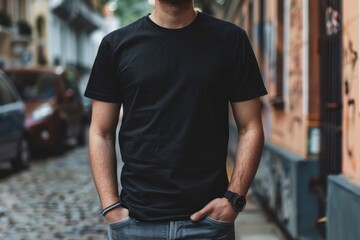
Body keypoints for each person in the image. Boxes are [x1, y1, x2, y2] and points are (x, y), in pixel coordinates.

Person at [85, 0, 267, 239]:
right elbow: (101, 132)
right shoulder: (116, 45)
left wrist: (233, 200)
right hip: (136, 225)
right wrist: (111, 208)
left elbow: (251, 127)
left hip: (207, 224)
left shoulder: (231, 39)